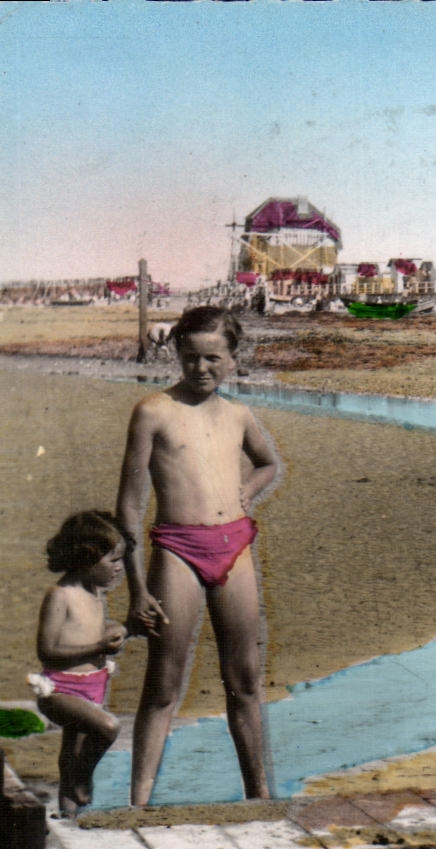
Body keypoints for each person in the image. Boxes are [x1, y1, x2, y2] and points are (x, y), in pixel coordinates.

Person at [117, 307, 281, 805]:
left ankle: (260, 798)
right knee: (163, 681)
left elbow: (270, 462)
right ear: (177, 355)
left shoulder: (238, 415)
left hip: (235, 547)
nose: (201, 368)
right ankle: (139, 805)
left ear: (233, 360)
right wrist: (137, 587)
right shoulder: (153, 410)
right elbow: (128, 501)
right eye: (190, 358)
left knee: (245, 680)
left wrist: (247, 491)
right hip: (177, 549)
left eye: (213, 358)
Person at [30, 511, 129, 815]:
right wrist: (98, 645)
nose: (119, 567)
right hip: (61, 690)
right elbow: (47, 651)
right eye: (112, 560)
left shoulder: (95, 593)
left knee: (72, 754)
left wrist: (115, 632)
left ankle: (68, 816)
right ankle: (82, 780)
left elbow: (88, 633)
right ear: (86, 558)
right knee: (108, 727)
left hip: (93, 687)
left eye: (120, 559)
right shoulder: (60, 595)